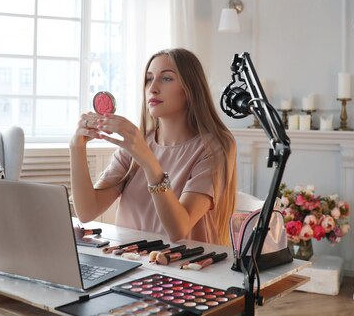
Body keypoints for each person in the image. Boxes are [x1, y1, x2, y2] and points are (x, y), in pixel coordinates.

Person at [70, 48, 237, 245]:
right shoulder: (135, 143)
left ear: (190, 88)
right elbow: (87, 211)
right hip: (131, 261)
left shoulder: (215, 147)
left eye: (166, 78)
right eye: (149, 79)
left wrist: (148, 161)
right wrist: (76, 148)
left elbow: (178, 229)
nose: (153, 87)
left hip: (186, 266)